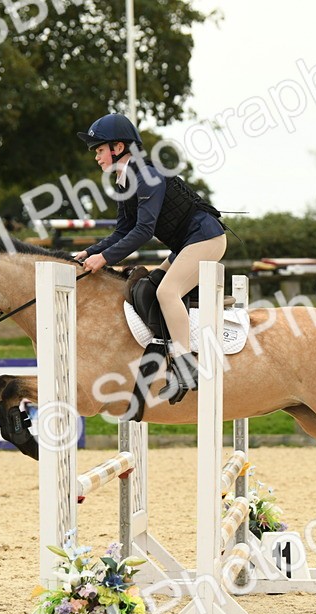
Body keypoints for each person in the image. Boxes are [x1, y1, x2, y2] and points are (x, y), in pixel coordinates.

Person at [71, 112, 226, 402]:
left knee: (168, 292)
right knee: (151, 285)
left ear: (118, 148)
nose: (96, 156)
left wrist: (103, 260)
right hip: (186, 244)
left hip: (207, 239)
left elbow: (144, 230)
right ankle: (164, 349)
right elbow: (123, 231)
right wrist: (90, 252)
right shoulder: (124, 179)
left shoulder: (147, 175)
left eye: (99, 149)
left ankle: (185, 366)